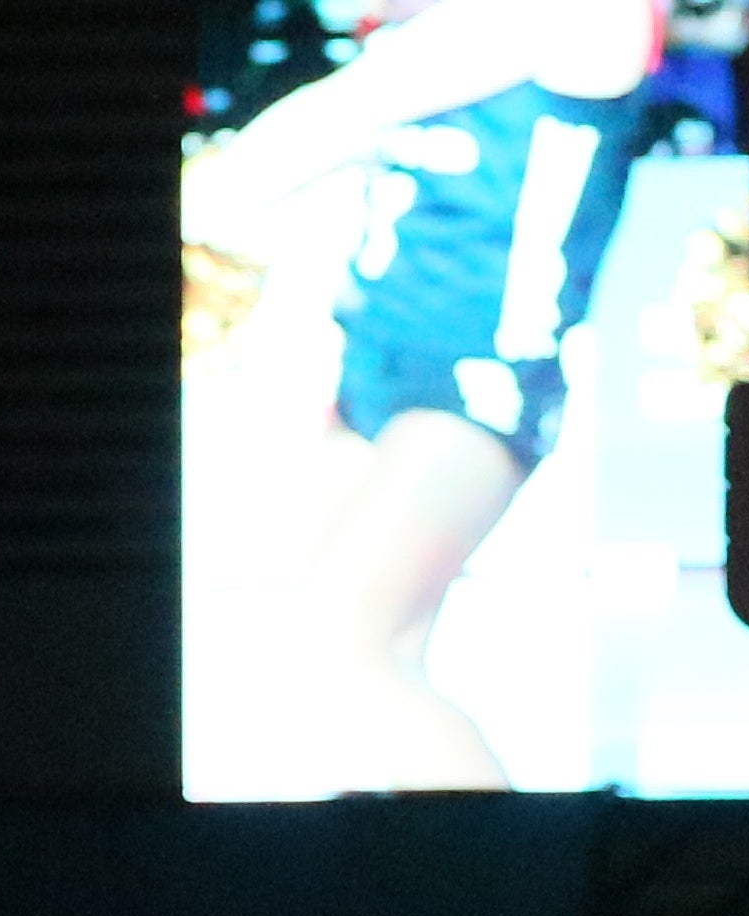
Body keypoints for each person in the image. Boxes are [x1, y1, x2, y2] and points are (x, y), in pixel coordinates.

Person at [186, 2, 669, 788]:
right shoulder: (434, 36)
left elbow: (347, 109)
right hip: (371, 369)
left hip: (476, 382)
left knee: (341, 646)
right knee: (355, 673)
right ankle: (388, 890)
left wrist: (191, 203)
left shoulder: (576, 17)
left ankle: (504, 892)